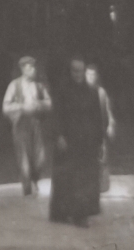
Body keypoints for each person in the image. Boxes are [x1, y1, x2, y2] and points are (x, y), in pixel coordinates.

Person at [48, 57, 105, 227]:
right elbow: (56, 115)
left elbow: (97, 117)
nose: (78, 74)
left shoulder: (92, 91)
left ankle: (81, 213)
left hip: (87, 141)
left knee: (85, 178)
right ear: (70, 71)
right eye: (75, 71)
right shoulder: (62, 90)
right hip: (68, 140)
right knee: (66, 177)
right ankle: (62, 213)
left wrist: (100, 141)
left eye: (81, 71)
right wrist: (58, 136)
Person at [2, 55, 52, 196]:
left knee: (40, 157)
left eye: (34, 67)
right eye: (30, 67)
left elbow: (49, 103)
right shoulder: (14, 85)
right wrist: (22, 107)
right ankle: (27, 189)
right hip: (20, 125)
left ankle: (35, 179)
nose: (33, 70)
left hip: (36, 124)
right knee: (24, 159)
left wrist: (39, 104)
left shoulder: (39, 86)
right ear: (23, 69)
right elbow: (5, 107)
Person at [85, 62, 117, 202]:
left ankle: (101, 187)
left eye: (93, 75)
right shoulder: (78, 92)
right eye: (88, 74)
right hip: (84, 132)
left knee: (101, 159)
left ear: (96, 76)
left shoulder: (101, 92)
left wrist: (111, 124)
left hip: (99, 131)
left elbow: (109, 111)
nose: (90, 77)